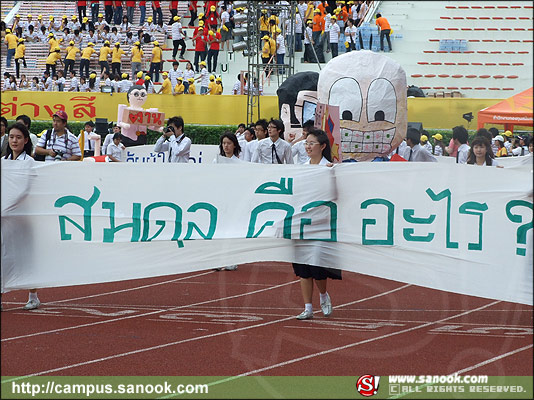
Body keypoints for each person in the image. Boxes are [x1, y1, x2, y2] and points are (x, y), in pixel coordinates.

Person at [293, 129, 339, 320]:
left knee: (318, 266)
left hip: (322, 223)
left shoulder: (330, 168)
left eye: (312, 143)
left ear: (322, 146)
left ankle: (323, 295)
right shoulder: (301, 167)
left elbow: (336, 195)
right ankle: (308, 307)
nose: (308, 146)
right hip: (301, 223)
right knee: (303, 268)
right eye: (306, 143)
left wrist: (331, 174)